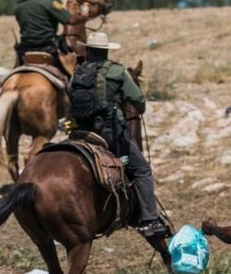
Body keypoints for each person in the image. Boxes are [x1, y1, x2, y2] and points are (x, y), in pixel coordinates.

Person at [66, 32, 165, 237]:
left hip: (80, 132)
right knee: (142, 171)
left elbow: (69, 96)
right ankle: (149, 220)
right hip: (110, 133)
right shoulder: (117, 71)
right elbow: (138, 101)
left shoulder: (78, 72)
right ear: (107, 51)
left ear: (89, 51)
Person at [13, 0, 87, 64]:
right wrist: (85, 16)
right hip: (48, 48)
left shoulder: (18, 7)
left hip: (26, 49)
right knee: (72, 71)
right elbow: (72, 20)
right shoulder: (49, 4)